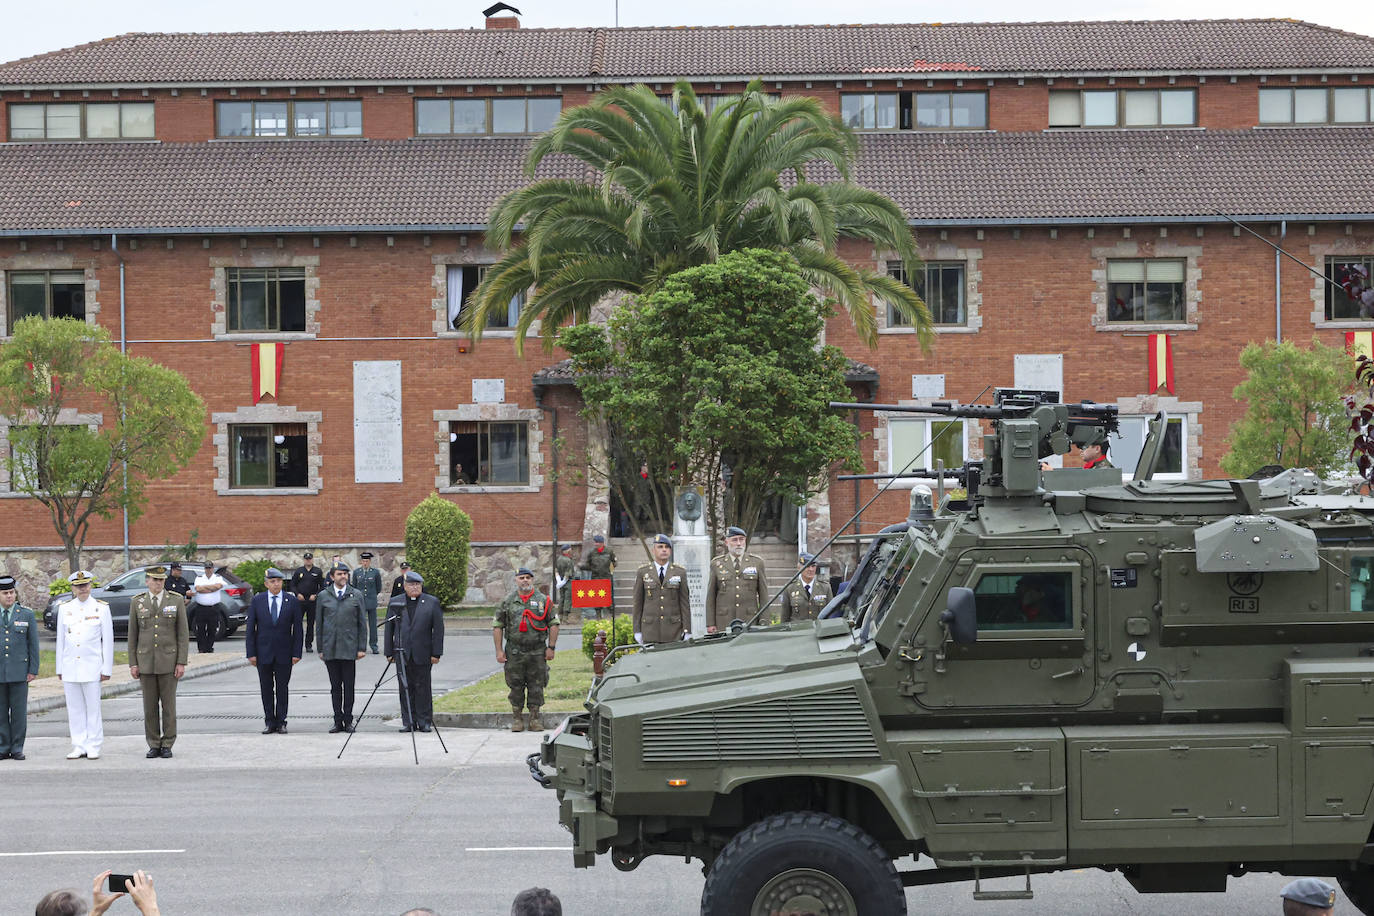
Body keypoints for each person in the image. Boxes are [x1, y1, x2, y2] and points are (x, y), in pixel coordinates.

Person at [127, 566, 189, 759]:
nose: (157, 583)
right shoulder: (138, 602)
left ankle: (168, 743)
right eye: (154, 580)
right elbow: (132, 635)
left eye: (161, 580)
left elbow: (182, 634)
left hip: (168, 661)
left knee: (169, 706)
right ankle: (153, 743)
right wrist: (133, 663)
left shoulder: (176, 600)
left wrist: (181, 662)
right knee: (149, 706)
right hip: (145, 661)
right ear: (147, 581)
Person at [55, 569, 112, 760]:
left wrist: (107, 668)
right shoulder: (65, 608)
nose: (83, 589)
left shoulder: (101, 608)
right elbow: (61, 641)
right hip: (70, 665)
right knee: (75, 708)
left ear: (91, 586)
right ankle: (78, 744)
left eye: (86, 585)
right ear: (72, 588)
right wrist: (59, 668)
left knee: (93, 708)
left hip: (92, 666)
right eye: (79, 586)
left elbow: (108, 641)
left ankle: (94, 744)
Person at [493, 567, 559, 732]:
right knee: (515, 685)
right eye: (521, 578)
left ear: (532, 580)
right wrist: (499, 651)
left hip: (537, 651)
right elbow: (498, 626)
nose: (525, 581)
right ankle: (517, 718)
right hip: (515, 651)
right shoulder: (507, 601)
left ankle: (535, 719)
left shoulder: (543, 600)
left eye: (528, 578)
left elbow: (554, 624)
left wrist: (551, 647)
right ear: (516, 580)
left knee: (537, 685)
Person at [245, 567, 303, 734]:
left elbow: (298, 629)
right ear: (266, 584)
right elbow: (250, 629)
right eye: (272, 581)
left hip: (285, 652)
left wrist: (296, 652)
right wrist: (251, 653)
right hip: (263, 652)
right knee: (266, 688)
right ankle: (269, 721)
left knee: (282, 688)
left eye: (278, 581)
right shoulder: (258, 601)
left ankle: (281, 721)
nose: (276, 584)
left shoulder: (291, 601)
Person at [385, 570, 444, 732]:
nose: (415, 587)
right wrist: (389, 652)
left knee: (423, 688)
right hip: (402, 653)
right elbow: (389, 629)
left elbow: (438, 630)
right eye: (411, 584)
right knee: (405, 688)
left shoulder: (431, 602)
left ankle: (424, 721)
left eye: (417, 584)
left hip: (423, 653)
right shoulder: (396, 602)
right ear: (404, 586)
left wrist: (436, 653)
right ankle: (409, 722)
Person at [316, 561, 367, 733]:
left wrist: (362, 647)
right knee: (335, 687)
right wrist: (320, 648)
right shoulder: (324, 596)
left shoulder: (356, 594)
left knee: (349, 686)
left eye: (345, 573)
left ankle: (348, 720)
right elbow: (319, 624)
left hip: (349, 647)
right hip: (330, 648)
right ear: (332, 577)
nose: (343, 576)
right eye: (339, 574)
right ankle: (337, 720)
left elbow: (362, 623)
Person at [0, 574, 39, 761]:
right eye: (5, 593)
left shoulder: (26, 614)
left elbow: (33, 644)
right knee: (0, 713)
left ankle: (17, 747)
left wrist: (33, 669)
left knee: (18, 713)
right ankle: (3, 746)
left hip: (19, 672)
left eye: (11, 592)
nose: (9, 596)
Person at [705, 526, 768, 634]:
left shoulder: (757, 563)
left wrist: (764, 620)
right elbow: (711, 596)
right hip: (724, 621)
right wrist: (710, 623)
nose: (739, 543)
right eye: (734, 540)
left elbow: (764, 595)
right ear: (726, 542)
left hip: (749, 620)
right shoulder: (717, 564)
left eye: (741, 539)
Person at [631, 534, 691, 645]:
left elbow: (684, 604)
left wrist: (686, 629)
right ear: (653, 550)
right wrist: (637, 630)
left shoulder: (679, 572)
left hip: (673, 631)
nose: (664, 550)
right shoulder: (643, 572)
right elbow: (637, 604)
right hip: (650, 630)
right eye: (660, 547)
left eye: (667, 547)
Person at [782, 553, 833, 623]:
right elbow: (785, 617)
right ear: (799, 568)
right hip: (798, 631)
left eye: (813, 566)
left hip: (819, 631)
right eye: (807, 566)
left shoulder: (825, 588)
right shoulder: (790, 588)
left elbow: (831, 615)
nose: (811, 569)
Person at [350, 551, 383, 655]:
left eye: (367, 561)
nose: (365, 563)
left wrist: (372, 595)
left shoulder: (375, 572)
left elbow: (378, 587)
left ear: (370, 561)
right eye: (363, 561)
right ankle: (360, 646)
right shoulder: (357, 572)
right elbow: (354, 587)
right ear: (361, 561)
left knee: (373, 625)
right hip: (360, 602)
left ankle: (374, 645)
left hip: (371, 601)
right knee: (360, 624)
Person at [290, 551, 324, 652]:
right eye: (306, 559)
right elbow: (292, 585)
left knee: (310, 624)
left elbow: (322, 586)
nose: (308, 561)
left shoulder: (317, 571)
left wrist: (316, 595)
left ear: (312, 560)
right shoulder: (299, 571)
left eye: (309, 559)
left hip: (312, 601)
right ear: (304, 560)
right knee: (297, 623)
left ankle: (308, 644)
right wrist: (297, 594)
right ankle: (297, 644)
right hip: (301, 600)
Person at [189, 560, 225, 653]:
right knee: (200, 629)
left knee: (212, 628)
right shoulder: (199, 578)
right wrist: (212, 588)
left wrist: (205, 587)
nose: (208, 570)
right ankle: (201, 648)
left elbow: (218, 586)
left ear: (212, 569)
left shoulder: (218, 577)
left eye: (210, 568)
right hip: (201, 607)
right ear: (204, 569)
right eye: (206, 568)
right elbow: (198, 588)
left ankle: (209, 647)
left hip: (214, 607)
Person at [581, 534, 616, 618]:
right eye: (595, 542)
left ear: (602, 543)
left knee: (608, 596)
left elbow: (614, 562)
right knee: (597, 597)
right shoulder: (592, 552)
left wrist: (610, 570)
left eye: (598, 542)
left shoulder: (609, 551)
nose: (596, 544)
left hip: (606, 577)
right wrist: (591, 568)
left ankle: (611, 614)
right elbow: (588, 564)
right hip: (596, 577)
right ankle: (598, 615)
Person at [553, 544, 575, 620]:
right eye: (570, 549)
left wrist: (559, 582)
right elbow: (568, 573)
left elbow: (556, 571)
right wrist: (564, 581)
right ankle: (565, 617)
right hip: (568, 582)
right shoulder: (568, 560)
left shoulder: (559, 559)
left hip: (560, 581)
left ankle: (560, 615)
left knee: (562, 598)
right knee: (567, 599)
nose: (571, 550)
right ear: (567, 551)